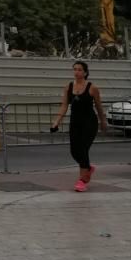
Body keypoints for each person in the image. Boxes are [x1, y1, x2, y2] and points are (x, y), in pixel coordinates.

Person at [51, 61, 108, 192]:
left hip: (89, 122)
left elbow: (99, 106)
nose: (76, 72)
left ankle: (82, 180)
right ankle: (88, 167)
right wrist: (56, 121)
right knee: (74, 151)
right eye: (75, 69)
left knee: (83, 149)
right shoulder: (68, 87)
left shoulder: (92, 87)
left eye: (79, 70)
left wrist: (103, 121)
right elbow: (64, 105)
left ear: (85, 72)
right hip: (75, 122)